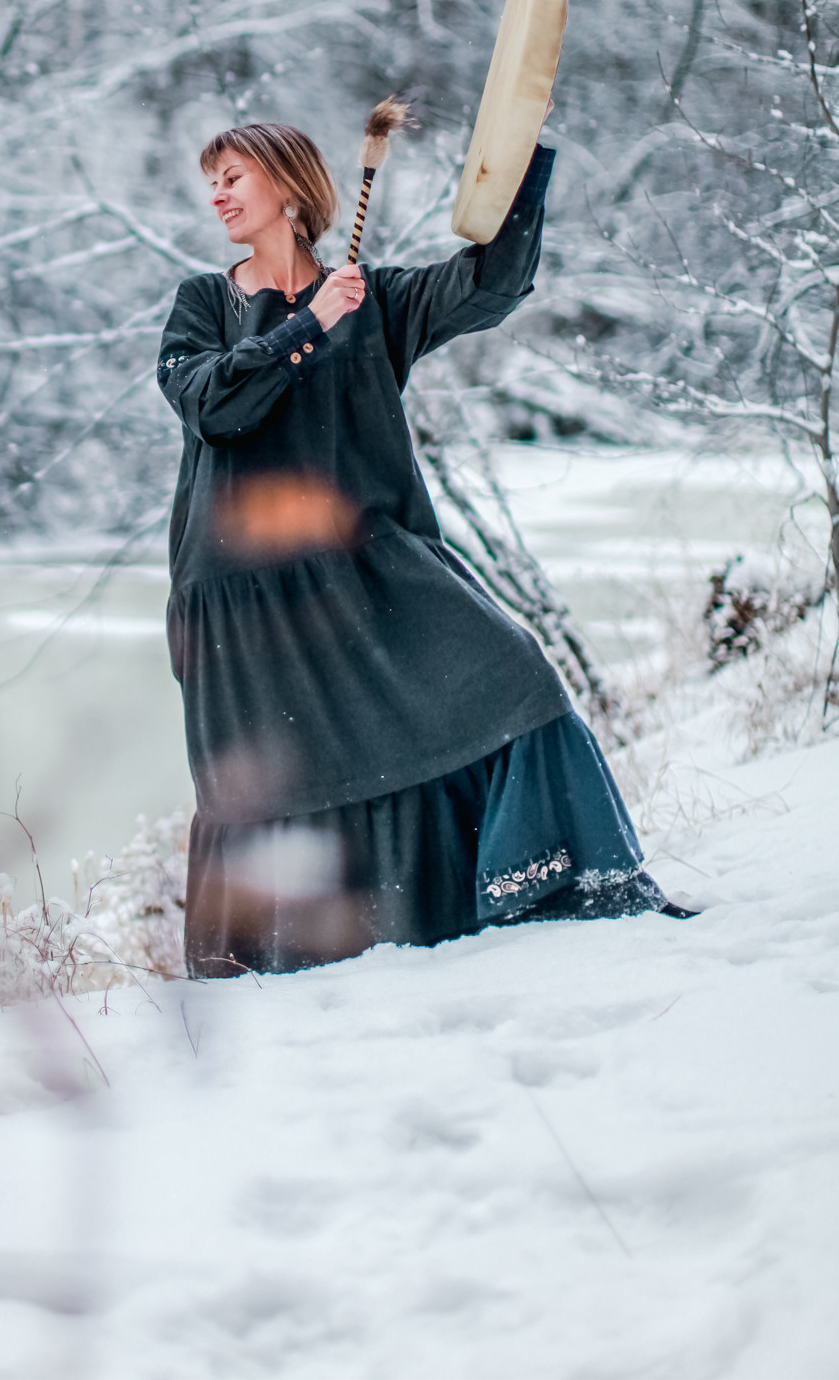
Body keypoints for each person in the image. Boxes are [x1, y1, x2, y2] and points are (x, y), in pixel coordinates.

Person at [156, 120, 690, 979]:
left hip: (367, 564)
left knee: (513, 671)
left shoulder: (374, 302)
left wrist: (517, 164)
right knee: (280, 779)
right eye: (209, 179)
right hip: (239, 597)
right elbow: (213, 404)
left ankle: (531, 892)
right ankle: (289, 956)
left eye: (232, 175)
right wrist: (304, 327)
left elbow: (489, 285)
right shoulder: (202, 303)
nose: (215, 193)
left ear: (289, 190)